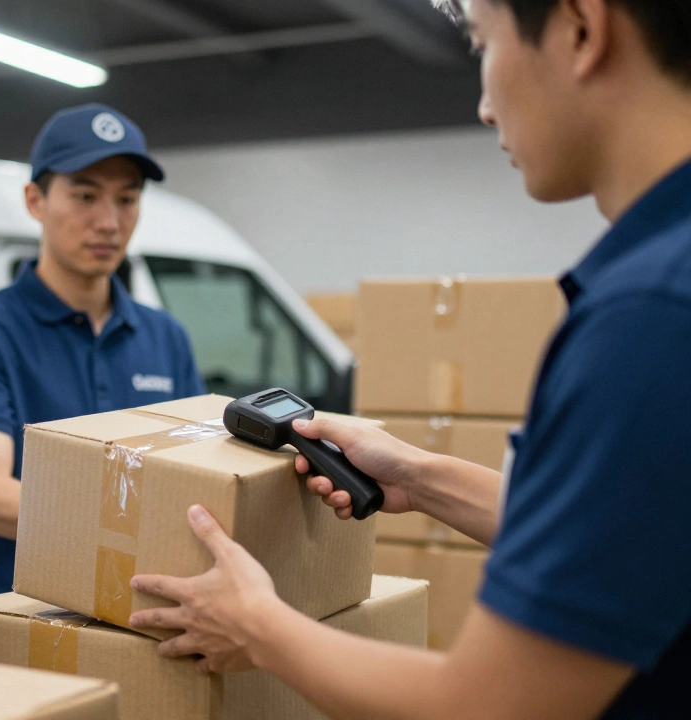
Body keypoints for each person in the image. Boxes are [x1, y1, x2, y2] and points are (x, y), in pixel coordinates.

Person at [127, 1, 690, 717]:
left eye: (483, 45)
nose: (486, 107)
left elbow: (488, 705)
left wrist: (257, 627)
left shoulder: (650, 317)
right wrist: (420, 478)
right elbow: (625, 534)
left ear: (581, 30)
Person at [0, 104, 206, 598]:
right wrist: (131, 526)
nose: (108, 221)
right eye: (85, 195)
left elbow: (197, 475)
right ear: (35, 200)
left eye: (127, 199)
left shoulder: (166, 337)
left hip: (146, 605)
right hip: (23, 613)